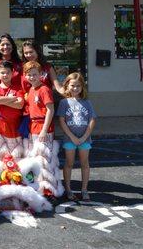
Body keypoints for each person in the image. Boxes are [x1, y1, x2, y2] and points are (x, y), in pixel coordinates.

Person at [23, 61, 64, 198]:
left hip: (42, 126)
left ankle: (50, 191)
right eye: (29, 75)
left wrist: (44, 130)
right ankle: (41, 187)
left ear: (41, 74)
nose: (32, 77)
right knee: (37, 160)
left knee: (46, 160)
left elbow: (50, 110)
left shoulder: (44, 89)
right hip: (33, 127)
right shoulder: (31, 90)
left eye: (35, 74)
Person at [58, 72, 97, 201]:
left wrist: (84, 136)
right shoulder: (64, 102)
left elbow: (92, 120)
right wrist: (72, 137)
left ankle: (84, 189)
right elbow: (62, 121)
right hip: (70, 139)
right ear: (67, 86)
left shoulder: (87, 102)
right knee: (69, 163)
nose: (75, 88)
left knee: (84, 164)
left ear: (82, 87)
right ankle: (68, 189)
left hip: (84, 139)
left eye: (78, 86)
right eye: (72, 85)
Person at [0, 61, 25, 159]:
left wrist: (1, 100)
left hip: (13, 125)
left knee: (13, 153)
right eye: (2, 73)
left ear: (13, 73)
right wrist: (12, 98)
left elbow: (20, 105)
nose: (5, 75)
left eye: (8, 72)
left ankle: (12, 173)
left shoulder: (18, 88)